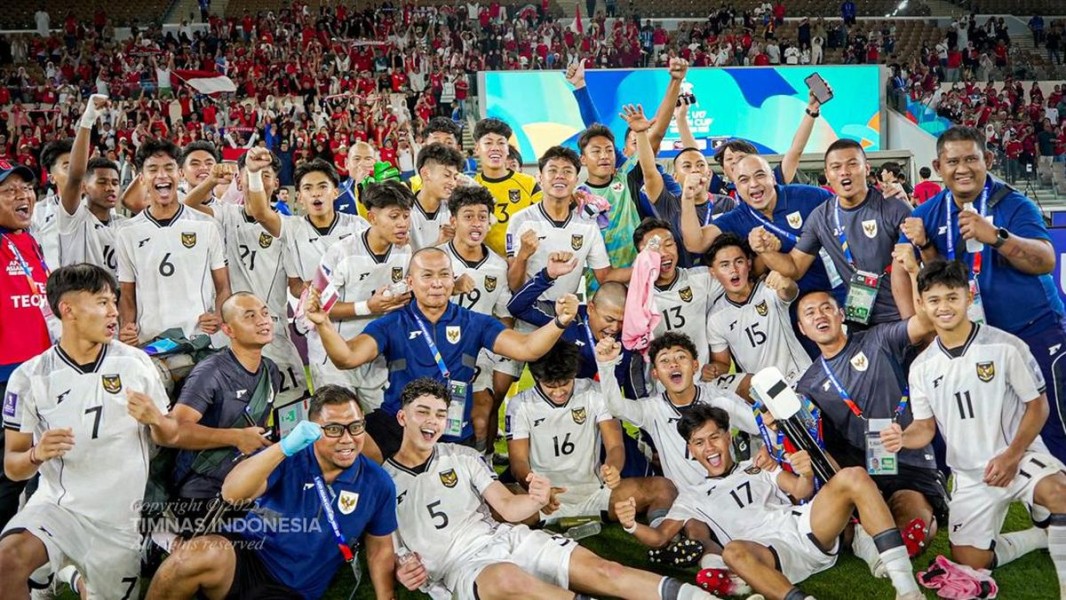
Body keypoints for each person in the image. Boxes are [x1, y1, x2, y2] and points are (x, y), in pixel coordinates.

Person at [387, 378, 718, 600]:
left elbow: (507, 507)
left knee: (606, 569)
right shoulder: (383, 481)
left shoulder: (463, 456)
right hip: (461, 567)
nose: (432, 422)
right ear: (403, 417)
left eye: (440, 415)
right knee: (507, 579)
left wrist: (536, 499)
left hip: (503, 538)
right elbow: (384, 549)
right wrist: (402, 568)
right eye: (423, 413)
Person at [882, 259, 1066, 594]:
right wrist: (902, 438)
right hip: (970, 474)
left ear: (968, 297)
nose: (944, 307)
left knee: (1059, 493)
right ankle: (1040, 535)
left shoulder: (1005, 346)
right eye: (934, 300)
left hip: (1018, 456)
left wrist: (1011, 456)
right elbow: (924, 428)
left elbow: (1038, 407)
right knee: (970, 562)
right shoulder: (922, 367)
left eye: (952, 297)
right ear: (921, 304)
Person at [618, 403, 926, 600]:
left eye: (714, 437)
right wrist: (632, 525)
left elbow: (802, 491)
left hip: (805, 530)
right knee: (734, 550)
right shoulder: (691, 497)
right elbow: (658, 537)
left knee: (854, 476)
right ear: (691, 451)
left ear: (727, 437)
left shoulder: (757, 464)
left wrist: (804, 473)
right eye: (698, 443)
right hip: (765, 556)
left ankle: (907, 590)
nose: (708, 448)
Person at [0, 264, 177, 598]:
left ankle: (65, 575)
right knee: (7, 561)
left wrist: (156, 419)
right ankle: (56, 568)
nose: (114, 312)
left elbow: (170, 436)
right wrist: (37, 454)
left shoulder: (137, 364)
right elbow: (13, 465)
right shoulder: (29, 377)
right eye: (101, 302)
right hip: (59, 509)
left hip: (118, 524)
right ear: (67, 310)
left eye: (113, 302)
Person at [307, 247, 579, 459]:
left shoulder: (474, 322)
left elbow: (526, 348)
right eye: (427, 275)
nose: (436, 283)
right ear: (411, 282)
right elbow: (347, 358)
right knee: (356, 452)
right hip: (397, 425)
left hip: (452, 429)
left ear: (453, 280)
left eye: (444, 275)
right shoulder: (392, 323)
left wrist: (560, 322)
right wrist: (323, 323)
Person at [897, 126, 1066, 464]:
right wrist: (914, 325)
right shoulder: (926, 214)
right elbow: (911, 273)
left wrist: (997, 237)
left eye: (972, 159)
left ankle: (1058, 496)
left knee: (1053, 420)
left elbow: (1045, 261)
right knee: (978, 422)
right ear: (939, 165)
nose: (963, 168)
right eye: (953, 161)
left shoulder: (1015, 205)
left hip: (1033, 327)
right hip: (975, 341)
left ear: (987, 160)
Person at [146, 385, 400, 600]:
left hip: (294, 589)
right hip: (247, 557)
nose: (347, 438)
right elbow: (232, 493)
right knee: (186, 559)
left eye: (355, 426)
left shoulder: (378, 483)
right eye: (333, 429)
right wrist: (284, 447)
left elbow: (380, 550)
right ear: (311, 429)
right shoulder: (289, 456)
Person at [793, 249, 947, 567]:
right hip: (863, 473)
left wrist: (915, 271)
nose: (820, 316)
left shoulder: (877, 340)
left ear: (840, 315)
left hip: (908, 463)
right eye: (810, 313)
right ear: (802, 329)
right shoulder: (807, 385)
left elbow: (924, 322)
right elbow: (818, 448)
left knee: (912, 533)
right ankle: (860, 526)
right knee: (836, 535)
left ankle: (886, 527)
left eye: (826, 308)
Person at [506, 340, 676, 526]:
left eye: (565, 383)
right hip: (543, 498)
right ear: (536, 378)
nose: (559, 392)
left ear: (574, 374)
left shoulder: (594, 392)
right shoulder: (520, 405)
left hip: (595, 495)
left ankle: (660, 532)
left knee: (663, 488)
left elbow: (615, 445)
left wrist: (613, 468)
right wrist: (536, 490)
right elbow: (518, 462)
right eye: (550, 386)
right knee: (494, 501)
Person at [184, 147, 307, 402]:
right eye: (251, 174)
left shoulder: (289, 227)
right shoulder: (225, 215)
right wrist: (210, 180)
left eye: (265, 175)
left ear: (275, 182)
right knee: (233, 413)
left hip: (272, 331)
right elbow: (188, 205)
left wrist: (313, 293)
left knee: (291, 413)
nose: (258, 180)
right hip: (228, 334)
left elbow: (295, 284)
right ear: (239, 180)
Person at [750, 140, 914, 328]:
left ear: (867, 169)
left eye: (852, 164)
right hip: (860, 320)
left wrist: (913, 322)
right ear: (827, 175)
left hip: (901, 315)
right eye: (836, 167)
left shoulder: (893, 206)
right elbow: (795, 266)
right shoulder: (821, 217)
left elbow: (917, 266)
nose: (844, 172)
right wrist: (764, 251)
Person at [166, 292, 284, 521]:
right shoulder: (211, 372)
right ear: (228, 330)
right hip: (202, 489)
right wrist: (236, 437)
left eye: (265, 313)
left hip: (246, 477)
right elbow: (176, 429)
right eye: (249, 316)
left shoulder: (271, 370)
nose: (263, 321)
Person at [596, 333, 758, 490]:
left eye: (681, 357)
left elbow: (762, 428)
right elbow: (615, 407)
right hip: (687, 504)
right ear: (656, 374)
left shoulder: (719, 400)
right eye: (664, 360)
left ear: (695, 366)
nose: (673, 364)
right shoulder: (652, 410)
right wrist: (606, 366)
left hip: (728, 491)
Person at [680, 156, 840, 307]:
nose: (753, 184)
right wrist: (687, 198)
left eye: (760, 175)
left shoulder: (809, 196)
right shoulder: (738, 218)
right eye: (744, 180)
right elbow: (695, 243)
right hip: (794, 305)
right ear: (736, 187)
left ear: (773, 177)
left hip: (842, 290)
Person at [115, 138, 231, 346]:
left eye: (169, 168)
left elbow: (223, 287)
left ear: (179, 174)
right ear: (141, 178)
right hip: (149, 343)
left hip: (198, 340)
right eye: (153, 169)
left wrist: (219, 315)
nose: (162, 175)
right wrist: (126, 326)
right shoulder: (127, 232)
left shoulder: (206, 225)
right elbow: (127, 294)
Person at [313, 180, 413, 409]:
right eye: (394, 216)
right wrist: (368, 307)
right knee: (337, 428)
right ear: (372, 217)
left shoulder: (405, 251)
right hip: (335, 358)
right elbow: (318, 307)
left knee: (379, 428)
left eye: (406, 216)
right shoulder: (340, 252)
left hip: (377, 356)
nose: (402, 224)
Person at [438, 186, 514, 454]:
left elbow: (505, 316)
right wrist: (450, 287)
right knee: (442, 424)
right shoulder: (436, 259)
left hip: (476, 355)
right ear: (453, 220)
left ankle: (484, 467)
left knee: (481, 420)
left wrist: (494, 353)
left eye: (483, 216)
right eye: (468, 216)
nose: (476, 223)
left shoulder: (498, 266)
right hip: (435, 352)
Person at [0, 160, 55, 529]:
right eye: (9, 191)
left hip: (40, 371)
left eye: (26, 189)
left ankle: (29, 550)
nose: (22, 196)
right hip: (5, 377)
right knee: (6, 473)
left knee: (39, 465)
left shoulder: (29, 239)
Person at [506, 146, 626, 298]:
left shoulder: (588, 225)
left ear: (576, 180)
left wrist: (645, 267)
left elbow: (604, 276)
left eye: (567, 171)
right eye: (552, 170)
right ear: (540, 178)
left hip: (567, 311)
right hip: (528, 313)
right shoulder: (520, 220)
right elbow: (514, 286)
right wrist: (523, 255)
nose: (560, 176)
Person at [705, 234, 811, 385]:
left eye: (739, 261)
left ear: (748, 264)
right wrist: (713, 370)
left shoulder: (769, 289)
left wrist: (786, 282)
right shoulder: (716, 318)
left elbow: (790, 292)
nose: (734, 270)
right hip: (764, 393)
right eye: (725, 265)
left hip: (801, 378)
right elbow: (723, 364)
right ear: (713, 272)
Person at [633, 220, 721, 367]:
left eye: (668, 244)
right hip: (657, 386)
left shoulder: (703, 279)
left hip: (703, 380)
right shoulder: (633, 296)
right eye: (654, 249)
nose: (663, 254)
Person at [57, 96, 126, 278]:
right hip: (81, 303)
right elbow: (75, 175)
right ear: (85, 187)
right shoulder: (74, 218)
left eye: (115, 183)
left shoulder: (123, 225)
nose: (110, 188)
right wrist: (87, 120)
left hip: (113, 303)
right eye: (102, 182)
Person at [471, 118, 543, 257]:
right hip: (486, 264)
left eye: (501, 143)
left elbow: (545, 219)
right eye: (488, 143)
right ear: (477, 149)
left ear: (508, 149)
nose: (495, 148)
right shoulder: (472, 187)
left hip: (525, 261)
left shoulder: (528, 183)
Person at [409, 143, 464, 250]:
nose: (452, 183)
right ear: (425, 173)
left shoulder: (456, 210)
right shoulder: (403, 211)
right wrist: (438, 244)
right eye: (447, 175)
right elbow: (399, 263)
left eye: (455, 177)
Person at [28, 139, 72, 268]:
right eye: (67, 167)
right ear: (52, 178)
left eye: (79, 165)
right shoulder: (38, 212)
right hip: (54, 285)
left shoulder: (98, 209)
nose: (77, 172)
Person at [408, 117, 463, 194]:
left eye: (449, 143)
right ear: (424, 146)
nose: (443, 148)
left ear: (458, 148)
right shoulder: (408, 189)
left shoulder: (468, 186)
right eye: (436, 143)